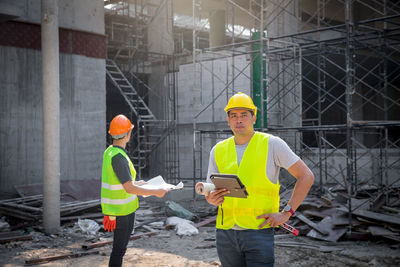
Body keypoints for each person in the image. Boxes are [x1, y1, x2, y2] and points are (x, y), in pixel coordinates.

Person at [205, 92, 314, 267]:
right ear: (228, 120)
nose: (238, 120)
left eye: (244, 115)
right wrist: (210, 198)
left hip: (258, 231)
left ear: (254, 118)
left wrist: (286, 213)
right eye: (234, 116)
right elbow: (211, 190)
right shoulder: (218, 149)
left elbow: (306, 176)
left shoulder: (272, 144)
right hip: (225, 232)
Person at [101, 114, 168, 267]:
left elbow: (120, 181)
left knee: (118, 250)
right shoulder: (119, 157)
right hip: (122, 212)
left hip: (116, 211)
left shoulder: (110, 152)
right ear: (128, 134)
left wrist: (139, 183)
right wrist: (156, 191)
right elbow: (128, 188)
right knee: (119, 250)